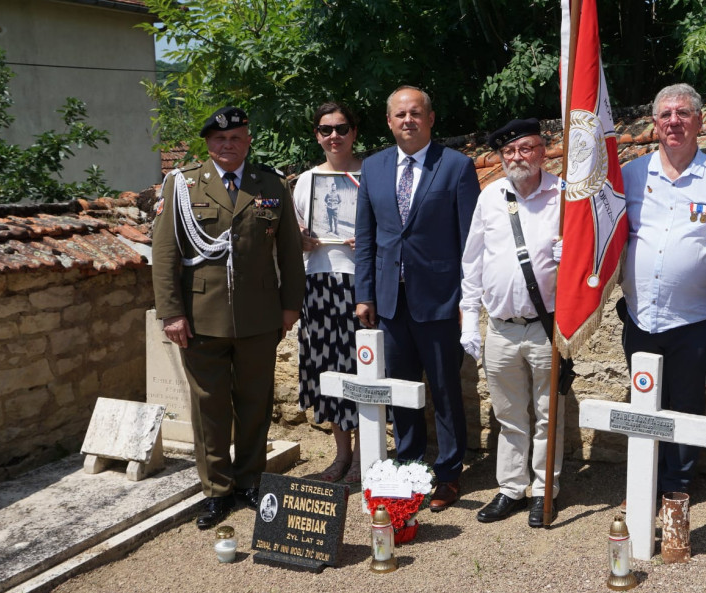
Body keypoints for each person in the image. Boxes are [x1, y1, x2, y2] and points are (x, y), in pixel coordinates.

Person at [152, 105, 305, 530]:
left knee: (256, 404)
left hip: (260, 317)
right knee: (210, 409)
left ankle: (251, 482)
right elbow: (165, 255)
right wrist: (171, 313)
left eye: (236, 138)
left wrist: (291, 305)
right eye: (219, 139)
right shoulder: (180, 185)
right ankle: (217, 491)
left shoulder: (270, 184)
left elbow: (290, 250)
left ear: (248, 140)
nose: (227, 145)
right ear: (207, 143)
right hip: (199, 319)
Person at [353, 86, 479, 511]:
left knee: (444, 390)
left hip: (441, 300)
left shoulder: (457, 167)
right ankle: (408, 466)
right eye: (399, 114)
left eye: (416, 113)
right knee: (401, 391)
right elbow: (367, 238)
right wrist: (364, 294)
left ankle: (447, 474)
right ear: (389, 122)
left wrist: (468, 299)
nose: (408, 120)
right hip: (390, 302)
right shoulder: (373, 168)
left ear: (430, 118)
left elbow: (470, 242)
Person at [619, 83, 706, 498]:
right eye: (666, 115)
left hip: (692, 319)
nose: (674, 121)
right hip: (639, 315)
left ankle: (677, 487)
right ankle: (644, 481)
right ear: (654, 124)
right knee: (643, 401)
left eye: (683, 114)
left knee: (686, 405)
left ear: (699, 122)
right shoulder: (631, 175)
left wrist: (693, 270)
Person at [460, 118, 564, 528]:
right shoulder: (490, 197)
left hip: (545, 327)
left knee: (547, 413)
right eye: (509, 152)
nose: (517, 157)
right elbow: (473, 262)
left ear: (543, 150)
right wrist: (470, 321)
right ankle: (510, 488)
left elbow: (592, 258)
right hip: (500, 327)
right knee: (508, 415)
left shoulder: (563, 195)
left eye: (526, 148)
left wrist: (571, 257)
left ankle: (543, 490)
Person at [293, 101, 363, 483]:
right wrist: (301, 240)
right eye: (325, 129)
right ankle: (340, 456)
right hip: (319, 283)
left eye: (340, 128)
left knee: (362, 371)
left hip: (361, 284)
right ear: (317, 135)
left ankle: (362, 460)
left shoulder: (372, 175)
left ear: (354, 131)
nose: (333, 135)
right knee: (328, 372)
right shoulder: (306, 181)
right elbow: (295, 233)